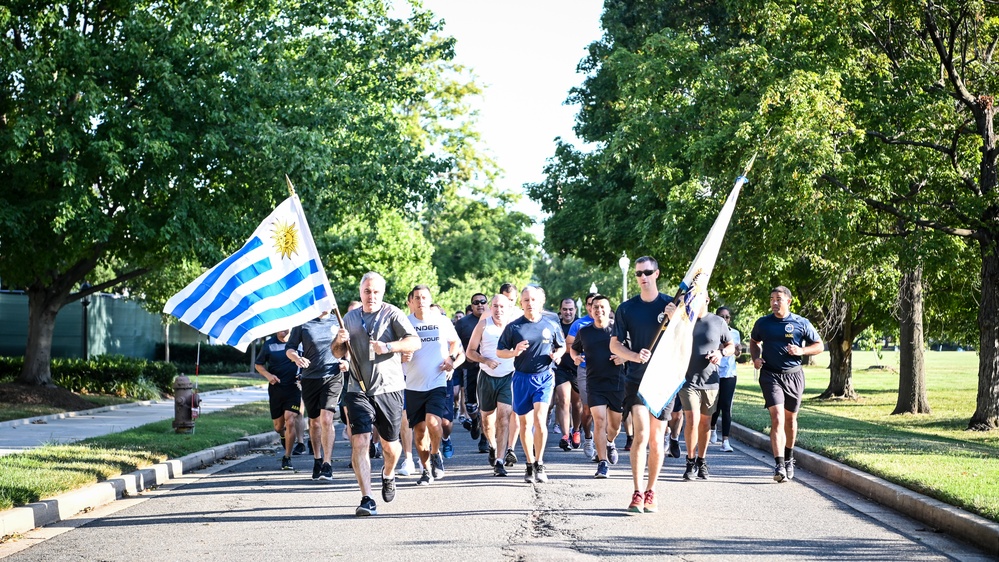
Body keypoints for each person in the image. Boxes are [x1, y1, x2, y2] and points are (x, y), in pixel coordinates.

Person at [332, 272, 421, 516]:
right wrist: (339, 341)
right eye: (367, 291)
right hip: (357, 388)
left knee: (391, 447)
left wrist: (389, 347)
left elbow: (414, 342)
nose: (371, 296)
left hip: (388, 388)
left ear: (382, 293)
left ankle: (388, 473)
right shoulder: (348, 318)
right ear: (360, 292)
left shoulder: (392, 314)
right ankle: (367, 498)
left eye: (376, 292)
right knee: (359, 439)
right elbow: (338, 353)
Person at [608, 256, 675, 513]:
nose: (643, 277)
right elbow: (615, 344)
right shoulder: (626, 308)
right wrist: (634, 356)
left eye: (647, 272)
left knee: (657, 440)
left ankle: (651, 491)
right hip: (636, 378)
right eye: (638, 273)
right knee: (641, 435)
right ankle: (636, 491)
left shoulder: (671, 304)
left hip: (664, 380)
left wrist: (676, 318)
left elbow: (686, 337)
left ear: (656, 273)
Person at [749, 285, 823, 482]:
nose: (774, 302)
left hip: (794, 376)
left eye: (778, 299)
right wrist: (756, 359)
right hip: (770, 375)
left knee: (790, 421)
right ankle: (779, 465)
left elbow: (819, 346)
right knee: (778, 418)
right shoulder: (763, 323)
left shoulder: (801, 323)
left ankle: (789, 458)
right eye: (772, 298)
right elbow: (754, 342)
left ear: (788, 301)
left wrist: (801, 351)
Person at [497, 285, 565, 483]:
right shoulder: (514, 327)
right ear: (521, 303)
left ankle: (540, 462)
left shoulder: (551, 324)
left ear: (541, 302)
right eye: (526, 300)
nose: (530, 304)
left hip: (544, 377)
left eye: (533, 300)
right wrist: (514, 352)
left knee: (540, 419)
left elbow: (561, 347)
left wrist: (557, 355)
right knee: (525, 424)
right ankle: (529, 463)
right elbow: (500, 352)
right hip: (521, 378)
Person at [402, 285, 465, 486]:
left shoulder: (441, 321)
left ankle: (436, 453)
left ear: (430, 300)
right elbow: (397, 348)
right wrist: (403, 354)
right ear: (411, 301)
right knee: (419, 433)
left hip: (437, 381)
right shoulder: (405, 323)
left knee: (434, 422)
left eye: (424, 297)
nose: (421, 301)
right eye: (417, 297)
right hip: (412, 385)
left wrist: (451, 359)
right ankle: (426, 470)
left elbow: (454, 343)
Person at [678, 297, 735, 481]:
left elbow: (731, 346)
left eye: (699, 297)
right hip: (687, 380)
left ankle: (701, 460)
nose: (694, 301)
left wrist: (720, 353)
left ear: (707, 299)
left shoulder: (717, 322)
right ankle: (690, 461)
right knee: (692, 419)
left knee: (705, 422)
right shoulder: (684, 320)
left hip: (710, 380)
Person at [569, 295, 626, 478]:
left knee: (615, 425)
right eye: (595, 307)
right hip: (594, 383)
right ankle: (602, 463)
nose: (598, 310)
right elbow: (574, 348)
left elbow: (631, 350)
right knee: (599, 420)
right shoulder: (584, 331)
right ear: (590, 310)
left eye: (602, 307)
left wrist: (623, 357)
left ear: (609, 309)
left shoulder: (618, 330)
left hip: (616, 383)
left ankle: (610, 442)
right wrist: (575, 357)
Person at [285, 312, 342, 481]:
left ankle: (327, 463)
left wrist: (346, 361)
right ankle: (317, 458)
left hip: (333, 376)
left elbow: (348, 347)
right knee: (315, 422)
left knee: (326, 419)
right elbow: (290, 348)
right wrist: (296, 358)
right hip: (310, 378)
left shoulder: (338, 321)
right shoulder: (303, 322)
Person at [465, 294, 517, 476]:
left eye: (502, 306)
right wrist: (485, 360)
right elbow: (469, 351)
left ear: (509, 308)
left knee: (504, 418)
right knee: (487, 420)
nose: (498, 310)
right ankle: (493, 446)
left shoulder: (515, 327)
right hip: (487, 377)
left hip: (508, 376)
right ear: (490, 308)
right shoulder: (483, 325)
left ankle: (500, 461)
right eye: (495, 306)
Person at [255, 328, 302, 470]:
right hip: (276, 389)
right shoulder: (269, 344)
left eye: (287, 327)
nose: (284, 330)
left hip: (294, 388)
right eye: (281, 328)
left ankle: (287, 456)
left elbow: (310, 359)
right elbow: (258, 364)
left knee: (290, 418)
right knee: (278, 427)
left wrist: (303, 375)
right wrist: (268, 376)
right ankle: (283, 436)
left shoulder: (299, 344)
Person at [454, 292, 489, 454]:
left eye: (483, 302)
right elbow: (455, 344)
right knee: (471, 405)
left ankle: (484, 437)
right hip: (469, 368)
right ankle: (474, 422)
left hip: (489, 368)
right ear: (471, 305)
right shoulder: (462, 324)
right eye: (476, 302)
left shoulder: (493, 319)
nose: (480, 305)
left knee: (486, 404)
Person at [565, 293, 598, 459]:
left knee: (603, 410)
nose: (595, 307)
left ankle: (605, 444)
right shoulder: (580, 324)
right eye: (592, 304)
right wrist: (575, 356)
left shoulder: (611, 324)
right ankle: (588, 438)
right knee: (587, 409)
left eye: (599, 304)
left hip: (605, 371)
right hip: (585, 370)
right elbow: (570, 345)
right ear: (587, 306)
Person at [554, 298, 583, 452]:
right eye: (565, 309)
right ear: (561, 310)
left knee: (577, 403)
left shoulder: (580, 325)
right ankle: (565, 436)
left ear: (575, 310)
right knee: (563, 400)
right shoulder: (555, 325)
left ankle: (576, 430)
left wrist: (565, 347)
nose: (568, 312)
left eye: (570, 309)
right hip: (561, 368)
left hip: (578, 368)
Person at [710, 306, 740, 452]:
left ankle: (725, 441)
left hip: (729, 374)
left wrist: (737, 349)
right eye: (722, 316)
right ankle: (712, 428)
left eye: (727, 317)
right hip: (713, 373)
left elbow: (736, 353)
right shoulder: (712, 331)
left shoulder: (735, 333)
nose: (725, 319)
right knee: (714, 407)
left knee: (726, 406)